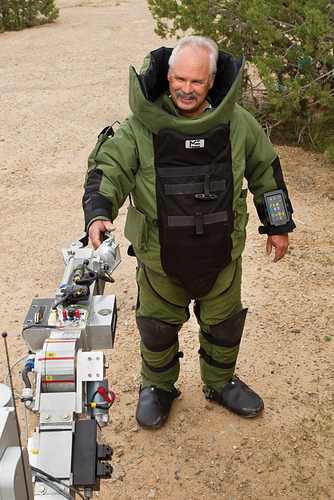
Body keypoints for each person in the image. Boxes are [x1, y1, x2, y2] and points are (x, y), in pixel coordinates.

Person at [83, 36, 295, 429]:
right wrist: (98, 213)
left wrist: (278, 224)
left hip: (222, 255)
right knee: (157, 326)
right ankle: (157, 386)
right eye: (180, 79)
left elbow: (266, 171)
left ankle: (220, 383)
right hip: (161, 258)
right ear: (168, 75)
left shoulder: (238, 124)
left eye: (197, 82)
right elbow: (107, 172)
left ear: (212, 81)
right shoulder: (138, 128)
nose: (186, 89)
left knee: (225, 324)